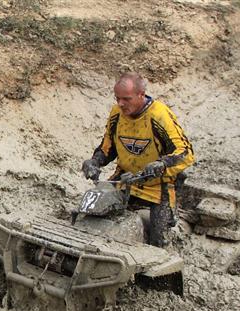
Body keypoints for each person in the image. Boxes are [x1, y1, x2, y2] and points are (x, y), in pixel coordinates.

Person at [82, 72, 194, 247]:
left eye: (126, 99)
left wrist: (162, 164)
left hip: (157, 185)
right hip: (125, 179)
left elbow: (186, 152)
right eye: (117, 98)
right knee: (91, 215)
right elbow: (108, 146)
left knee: (158, 241)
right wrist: (94, 161)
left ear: (141, 95)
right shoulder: (116, 113)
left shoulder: (159, 115)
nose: (120, 104)